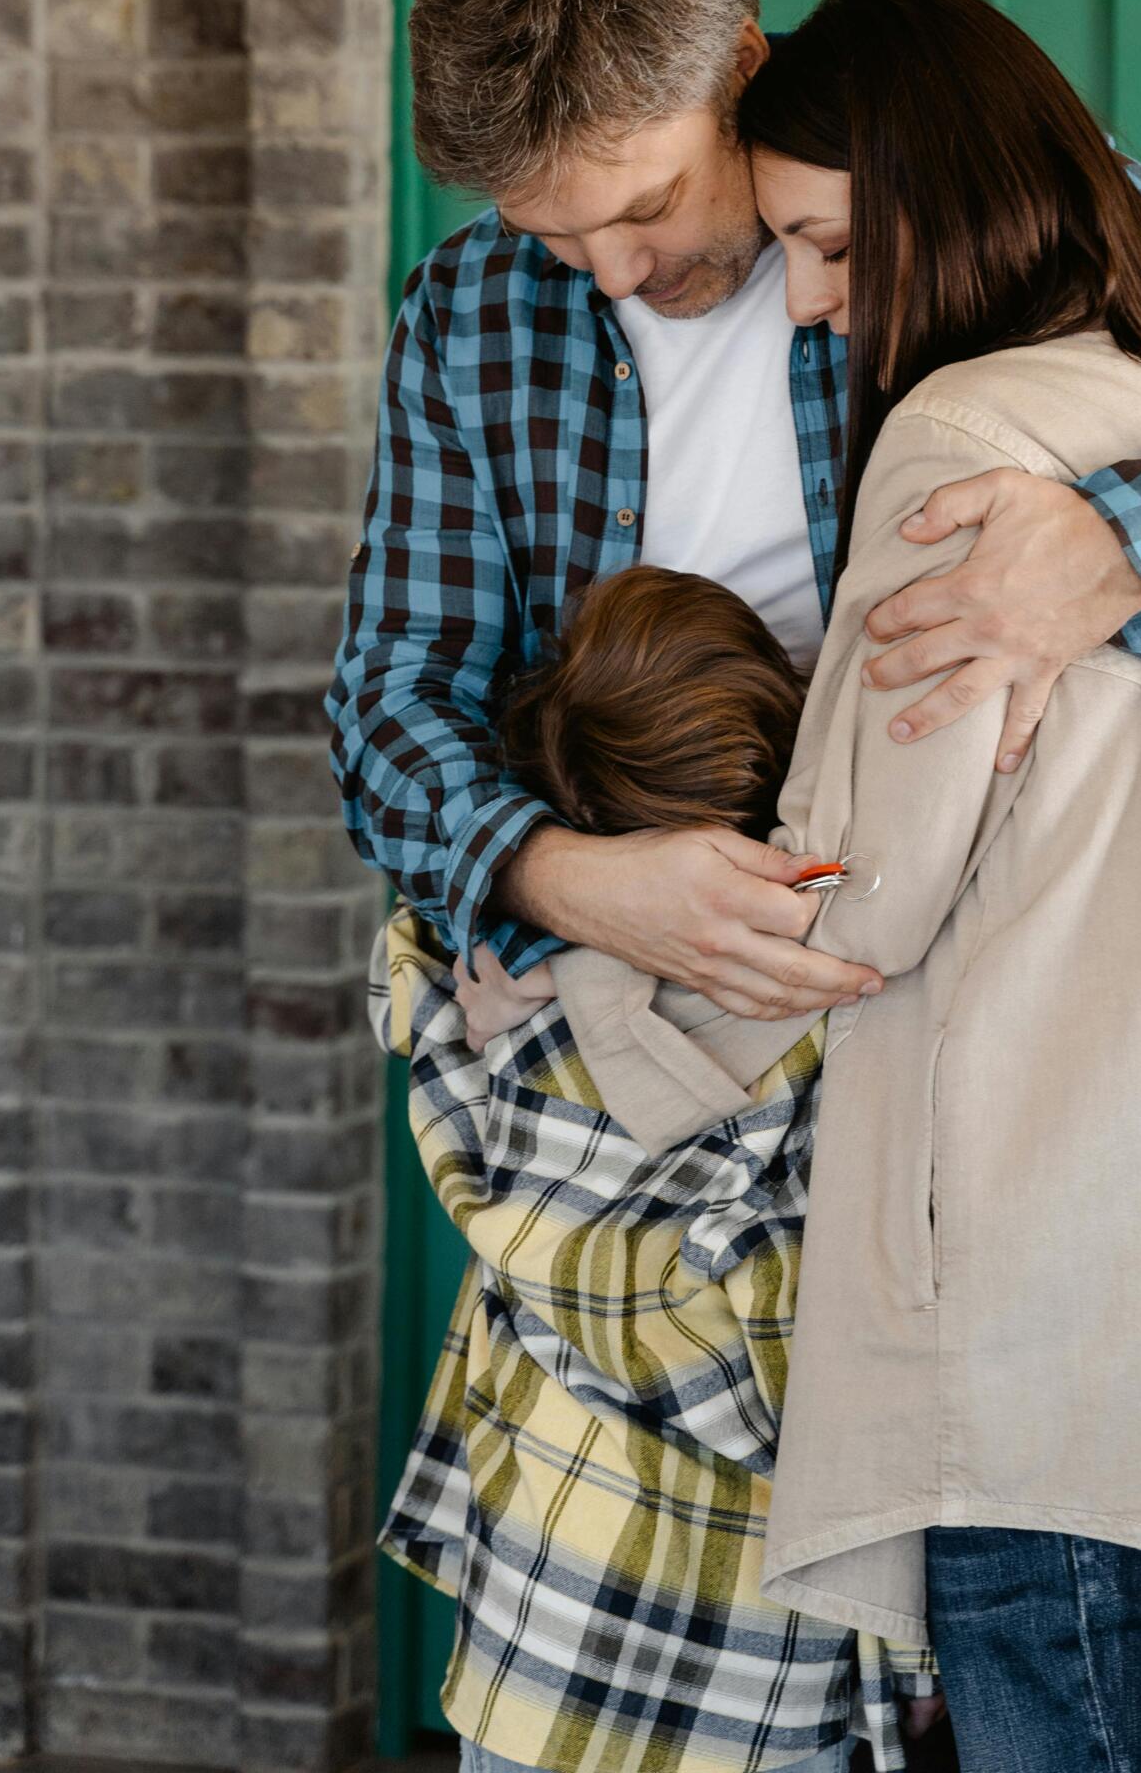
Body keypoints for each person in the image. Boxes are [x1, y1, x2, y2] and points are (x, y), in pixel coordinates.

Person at [540, 0, 1141, 1770]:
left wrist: (575, 958)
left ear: (938, 198)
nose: (815, 304)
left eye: (829, 247)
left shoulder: (957, 436)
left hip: (1021, 1260)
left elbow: (858, 908)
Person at [327, 0, 1141, 1034]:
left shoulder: (985, 197)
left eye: (645, 207)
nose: (612, 274)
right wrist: (562, 878)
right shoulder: (466, 311)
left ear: (740, 67)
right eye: (549, 232)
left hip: (938, 980)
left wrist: (1113, 549)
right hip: (605, 999)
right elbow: (392, 696)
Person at [369, 567, 939, 1773]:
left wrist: (539, 903)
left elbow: (414, 964)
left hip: (545, 1596)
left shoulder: (479, 994)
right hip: (757, 1652)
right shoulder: (822, 1016)